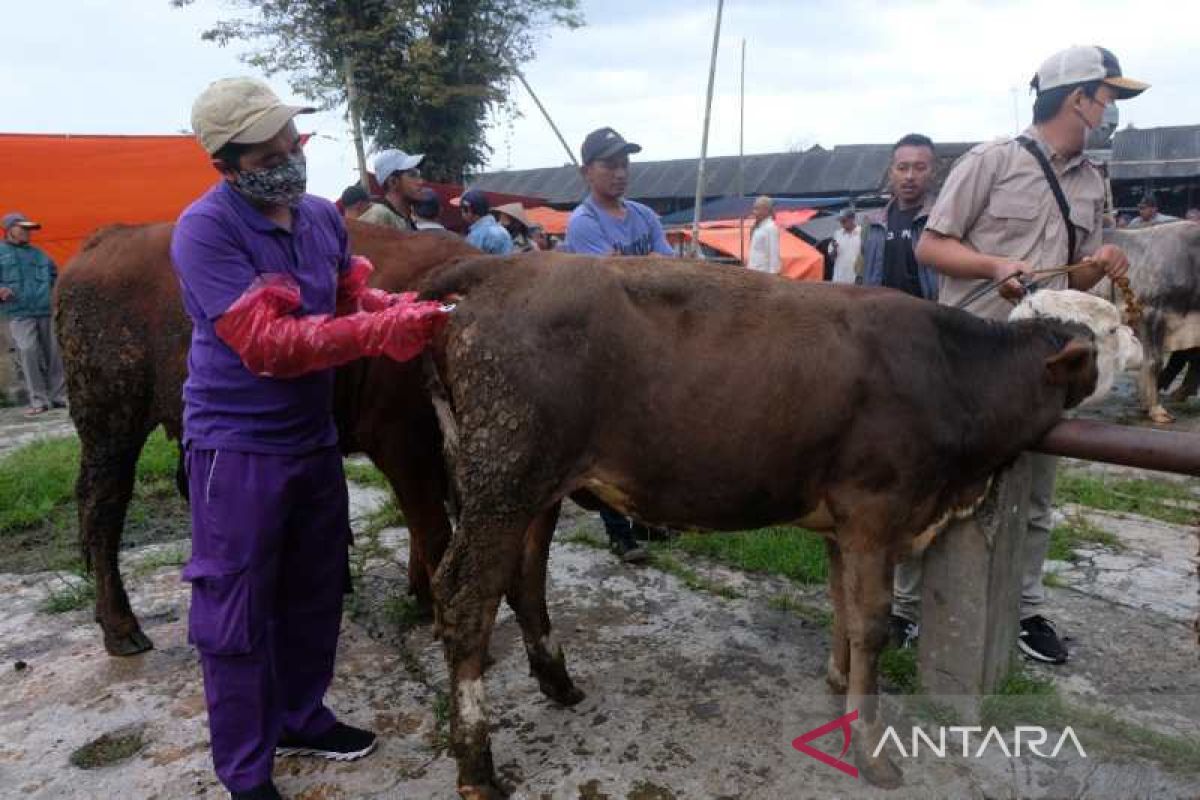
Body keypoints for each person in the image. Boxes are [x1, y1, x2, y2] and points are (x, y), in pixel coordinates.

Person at [171, 77, 446, 800]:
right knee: (236, 608)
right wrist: (380, 332)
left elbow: (352, 297)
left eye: (293, 140)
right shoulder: (207, 231)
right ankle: (244, 768)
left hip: (311, 435)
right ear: (229, 164)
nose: (293, 155)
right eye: (271, 150)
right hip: (237, 445)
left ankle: (301, 714)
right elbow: (266, 342)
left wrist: (409, 307)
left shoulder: (322, 219)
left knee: (315, 586)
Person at [903, 45, 1146, 664]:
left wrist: (1103, 263)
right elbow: (930, 248)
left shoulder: (1094, 179)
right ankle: (906, 609)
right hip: (969, 362)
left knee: (1037, 492)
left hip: (1042, 368)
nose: (1110, 110)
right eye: (1108, 97)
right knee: (935, 481)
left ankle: (1022, 609)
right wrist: (993, 266)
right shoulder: (992, 161)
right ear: (1078, 98)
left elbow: (1078, 283)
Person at [564, 126, 674, 563]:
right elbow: (616, 281)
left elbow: (667, 267)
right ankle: (618, 531)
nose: (620, 172)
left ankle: (646, 518)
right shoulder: (583, 222)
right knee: (609, 442)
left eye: (624, 163)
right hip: (607, 346)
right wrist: (647, 268)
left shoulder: (645, 215)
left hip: (653, 340)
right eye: (609, 164)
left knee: (651, 434)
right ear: (587, 171)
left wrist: (642, 268)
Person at [0, 212, 67, 415]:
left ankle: (59, 396)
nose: (28, 233)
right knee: (27, 351)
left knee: (54, 354)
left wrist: (58, 299)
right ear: (9, 229)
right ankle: (38, 400)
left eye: (29, 229)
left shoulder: (40, 254)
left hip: (45, 310)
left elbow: (57, 278)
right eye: (23, 228)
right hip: (18, 312)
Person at [859, 134, 939, 299]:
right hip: (881, 317)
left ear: (933, 172)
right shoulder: (873, 225)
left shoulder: (943, 220)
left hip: (929, 319)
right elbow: (861, 275)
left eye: (920, 168)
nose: (909, 176)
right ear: (891, 172)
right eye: (902, 168)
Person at [359, 149, 424, 231]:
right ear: (393, 182)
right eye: (413, 175)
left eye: (419, 174)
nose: (421, 182)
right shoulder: (380, 216)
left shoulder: (405, 220)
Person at [457, 190, 513, 254]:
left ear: (469, 211)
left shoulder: (477, 235)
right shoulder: (503, 231)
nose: (461, 214)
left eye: (462, 210)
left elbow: (470, 260)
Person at [747, 195, 781, 274]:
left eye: (757, 209)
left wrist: (773, 276)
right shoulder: (758, 227)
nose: (753, 212)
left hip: (763, 274)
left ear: (766, 210)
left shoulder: (771, 228)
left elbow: (774, 254)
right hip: (753, 271)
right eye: (754, 209)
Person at [829, 208, 861, 284]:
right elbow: (832, 258)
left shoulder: (862, 233)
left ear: (852, 219)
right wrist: (834, 249)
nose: (842, 222)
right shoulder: (837, 234)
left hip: (855, 279)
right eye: (841, 220)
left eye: (844, 220)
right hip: (839, 279)